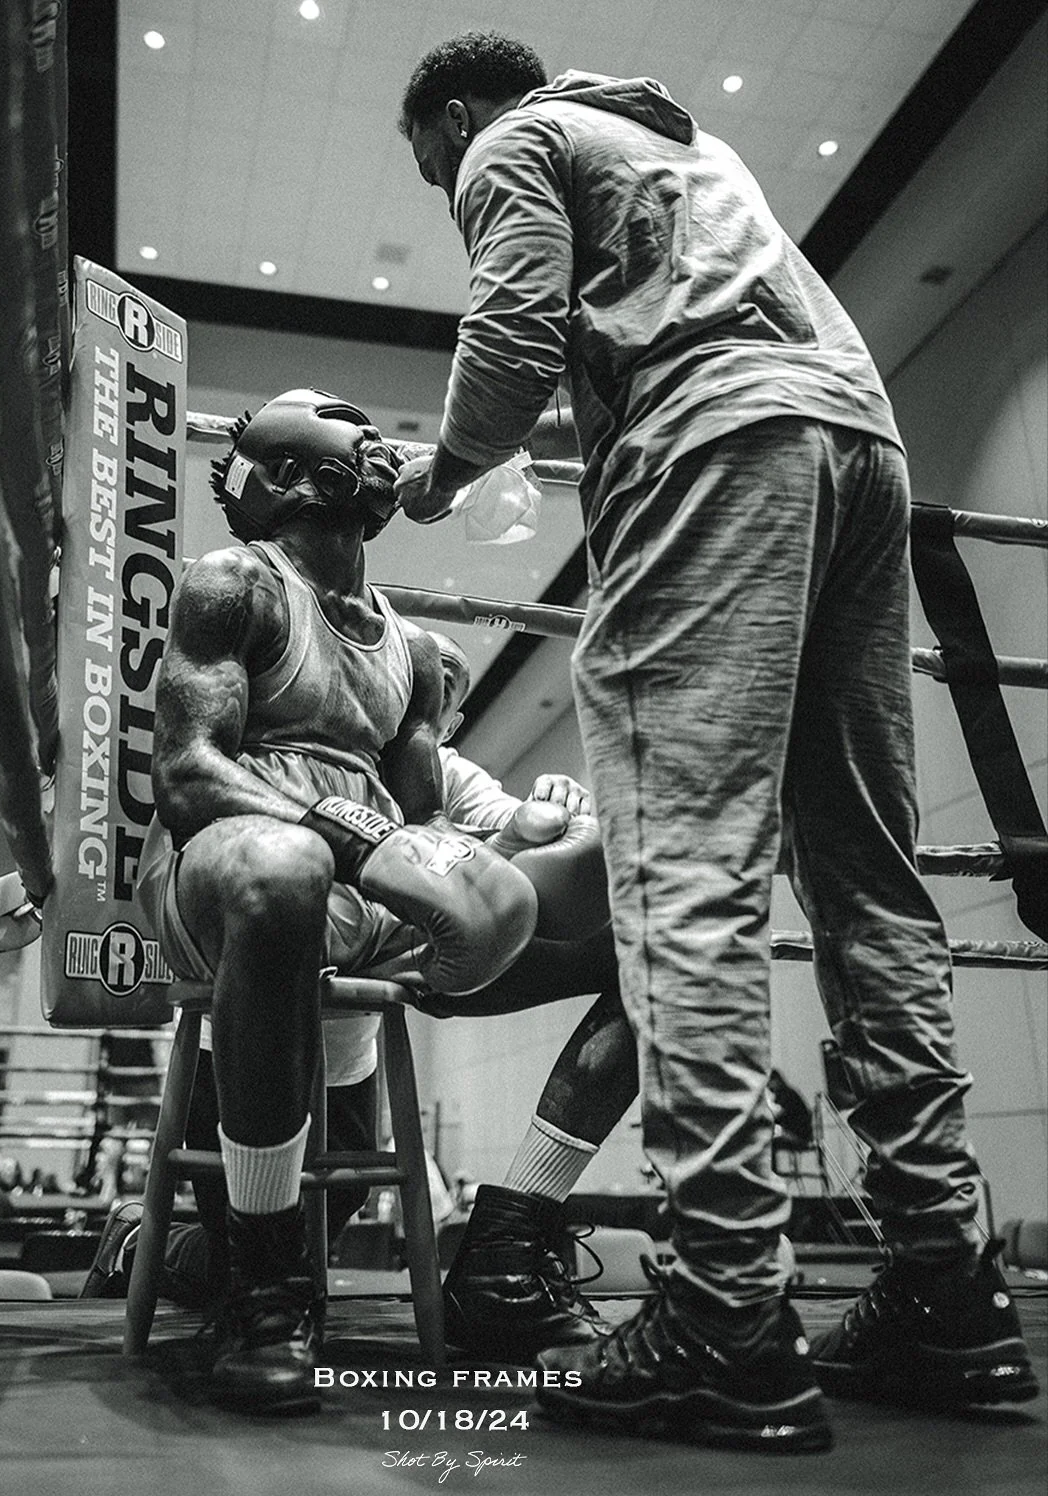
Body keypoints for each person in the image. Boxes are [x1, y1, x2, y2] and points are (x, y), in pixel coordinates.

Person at [395, 31, 1037, 1454]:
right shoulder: (683, 144)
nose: (451, 189)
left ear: (451, 118)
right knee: (868, 873)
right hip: (857, 448)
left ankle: (725, 1318)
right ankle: (948, 1292)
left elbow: (506, 336)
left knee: (682, 870)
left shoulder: (516, 139)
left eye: (431, 168)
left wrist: (437, 478)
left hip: (716, 452)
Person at [138, 387, 541, 1414]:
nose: (375, 429)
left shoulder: (412, 650)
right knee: (285, 866)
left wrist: (510, 848)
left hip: (351, 884)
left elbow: (419, 809)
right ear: (280, 476)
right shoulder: (235, 582)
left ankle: (514, 1234)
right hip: (226, 870)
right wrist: (353, 833)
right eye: (341, 418)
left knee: (627, 911)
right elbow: (187, 772)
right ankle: (269, 1290)